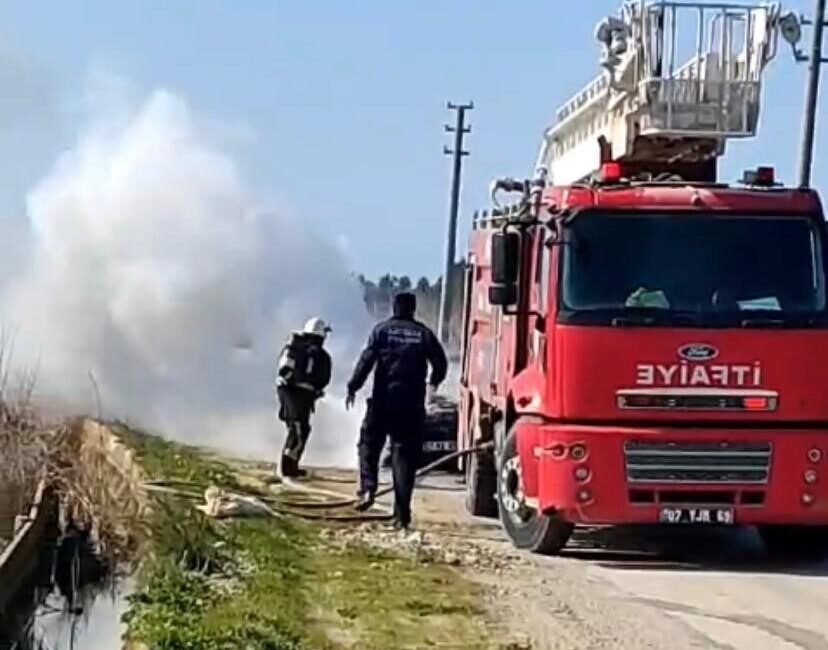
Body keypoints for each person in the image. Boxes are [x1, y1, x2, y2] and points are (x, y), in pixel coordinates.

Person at [345, 292, 448, 530]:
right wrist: (433, 383)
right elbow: (440, 362)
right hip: (411, 405)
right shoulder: (424, 334)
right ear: (413, 309)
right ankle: (402, 516)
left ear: (394, 307)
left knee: (369, 446)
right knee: (404, 459)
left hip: (383, 401)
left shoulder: (381, 330)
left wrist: (353, 386)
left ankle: (368, 489)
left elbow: (366, 360)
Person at [276, 317, 333, 478]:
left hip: (295, 393)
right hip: (295, 393)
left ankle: (291, 466)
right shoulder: (311, 353)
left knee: (298, 428)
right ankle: (287, 468)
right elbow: (287, 372)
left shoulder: (298, 349)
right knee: (299, 429)